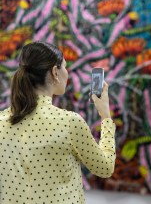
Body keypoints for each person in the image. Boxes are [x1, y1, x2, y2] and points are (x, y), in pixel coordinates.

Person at [0, 41, 116, 203]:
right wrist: (105, 116)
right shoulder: (69, 123)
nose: (67, 73)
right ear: (55, 72)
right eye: (65, 67)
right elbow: (104, 168)